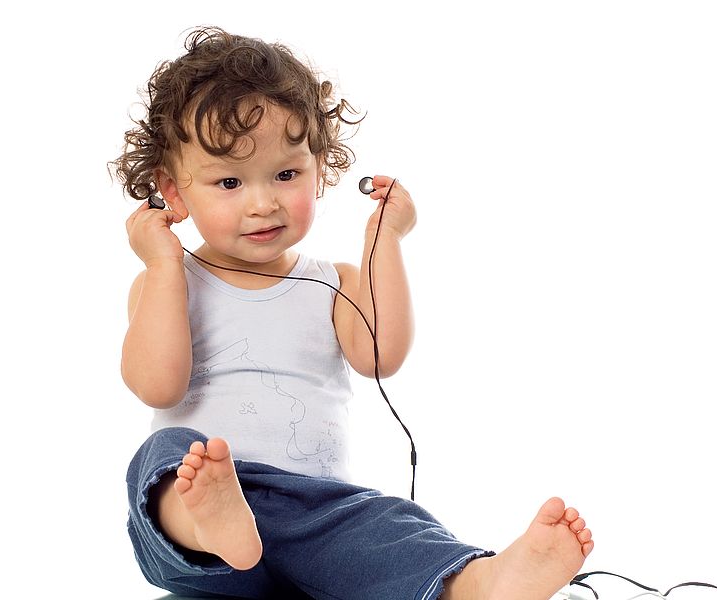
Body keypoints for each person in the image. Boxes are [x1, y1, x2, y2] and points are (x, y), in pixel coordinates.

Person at [112, 26, 593, 600]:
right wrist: (165, 266)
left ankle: (479, 582)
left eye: (286, 175)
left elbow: (380, 355)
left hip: (317, 516)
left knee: (385, 520)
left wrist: (383, 240)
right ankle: (208, 525)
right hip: (206, 510)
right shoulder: (169, 283)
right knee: (162, 460)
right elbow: (158, 387)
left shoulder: (330, 283)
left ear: (320, 167)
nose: (262, 202)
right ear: (175, 191)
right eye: (230, 181)